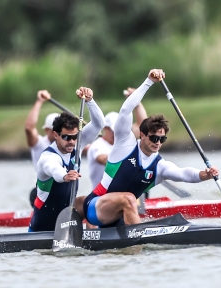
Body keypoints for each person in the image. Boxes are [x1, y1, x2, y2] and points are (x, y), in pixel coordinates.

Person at [75, 69, 219, 228]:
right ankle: (141, 246)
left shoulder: (160, 166)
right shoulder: (125, 144)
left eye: (161, 139)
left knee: (129, 201)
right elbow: (125, 111)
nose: (157, 142)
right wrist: (149, 82)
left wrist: (204, 174)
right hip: (96, 207)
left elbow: (184, 174)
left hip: (119, 217)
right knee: (129, 198)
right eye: (153, 137)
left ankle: (133, 242)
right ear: (142, 135)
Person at [29, 87, 105, 232]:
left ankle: (96, 234)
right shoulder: (48, 157)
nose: (71, 141)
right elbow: (54, 169)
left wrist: (90, 100)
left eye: (74, 137)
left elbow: (98, 124)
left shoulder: (78, 145)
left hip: (65, 220)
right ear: (56, 135)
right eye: (66, 137)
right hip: (43, 225)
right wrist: (65, 176)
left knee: (87, 202)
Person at [86, 96, 147, 190]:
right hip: (101, 197)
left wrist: (136, 102)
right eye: (114, 131)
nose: (118, 134)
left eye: (119, 131)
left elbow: (143, 126)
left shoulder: (124, 141)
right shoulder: (97, 146)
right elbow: (103, 160)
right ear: (105, 128)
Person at [24, 90, 58, 207]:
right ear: (47, 130)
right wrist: (39, 101)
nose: (56, 133)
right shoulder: (39, 143)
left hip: (62, 189)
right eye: (53, 130)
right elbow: (29, 128)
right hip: (42, 191)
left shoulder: (67, 144)